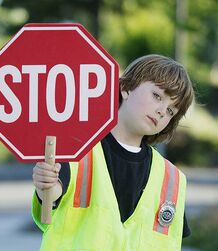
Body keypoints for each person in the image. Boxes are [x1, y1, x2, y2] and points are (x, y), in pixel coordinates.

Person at [31, 54, 195, 251]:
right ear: (126, 88)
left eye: (171, 110)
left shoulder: (172, 179)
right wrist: (45, 185)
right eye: (157, 96)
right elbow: (53, 196)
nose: (162, 110)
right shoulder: (78, 151)